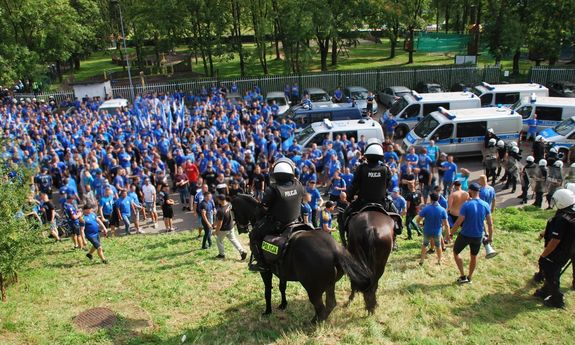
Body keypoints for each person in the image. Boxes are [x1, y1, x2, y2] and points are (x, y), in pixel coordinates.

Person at [248, 158, 305, 272]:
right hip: (296, 220)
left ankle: (262, 263)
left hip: (278, 223)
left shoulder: (272, 189)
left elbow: (264, 207)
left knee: (254, 235)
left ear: (276, 175)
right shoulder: (298, 185)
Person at [342, 139, 392, 242]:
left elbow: (355, 185)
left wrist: (349, 197)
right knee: (397, 218)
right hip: (382, 203)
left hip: (362, 203)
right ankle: (395, 235)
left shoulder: (361, 168)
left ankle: (346, 236)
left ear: (367, 155)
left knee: (345, 215)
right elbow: (388, 185)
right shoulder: (385, 169)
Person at [534, 189, 575, 308]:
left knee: (551, 273)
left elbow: (555, 240)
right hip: (569, 249)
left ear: (562, 202)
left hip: (558, 252)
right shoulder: (571, 213)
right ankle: (546, 290)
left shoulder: (562, 219)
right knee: (552, 271)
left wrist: (544, 255)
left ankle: (556, 299)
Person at [449, 182, 494, 284]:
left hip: (465, 234)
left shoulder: (466, 205)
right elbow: (490, 224)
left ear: (470, 191)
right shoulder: (485, 205)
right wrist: (490, 237)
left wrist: (451, 233)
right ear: (479, 192)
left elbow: (458, 221)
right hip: (478, 236)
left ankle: (462, 275)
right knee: (473, 256)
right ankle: (469, 277)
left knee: (456, 252)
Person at [417, 193, 450, 265]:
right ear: (438, 199)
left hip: (427, 230)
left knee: (425, 244)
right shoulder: (442, 210)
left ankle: (422, 260)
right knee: (438, 246)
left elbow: (418, 219)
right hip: (437, 231)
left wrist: (420, 224)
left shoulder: (426, 208)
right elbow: (446, 224)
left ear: (430, 199)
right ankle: (439, 260)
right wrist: (448, 235)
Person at [214, 195, 248, 260]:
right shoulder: (229, 204)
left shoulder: (221, 211)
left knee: (219, 240)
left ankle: (222, 254)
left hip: (224, 229)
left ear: (220, 200)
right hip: (230, 226)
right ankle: (242, 252)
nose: (217, 201)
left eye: (218, 200)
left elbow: (220, 223)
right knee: (234, 240)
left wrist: (216, 231)